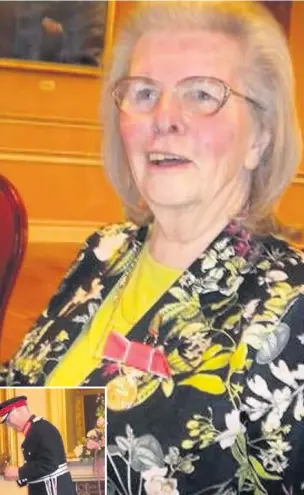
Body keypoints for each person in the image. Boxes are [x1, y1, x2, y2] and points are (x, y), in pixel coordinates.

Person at [1, 0, 304, 492]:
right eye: (143, 93)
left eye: (203, 94)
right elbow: (37, 398)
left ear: (261, 138)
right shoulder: (107, 251)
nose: (164, 118)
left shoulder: (289, 312)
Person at [0, 396, 76, 495]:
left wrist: (20, 472)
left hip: (53, 490)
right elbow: (39, 466)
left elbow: (50, 464)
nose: (9, 425)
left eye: (9, 420)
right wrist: (18, 475)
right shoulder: (35, 430)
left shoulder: (43, 429)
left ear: (18, 411)